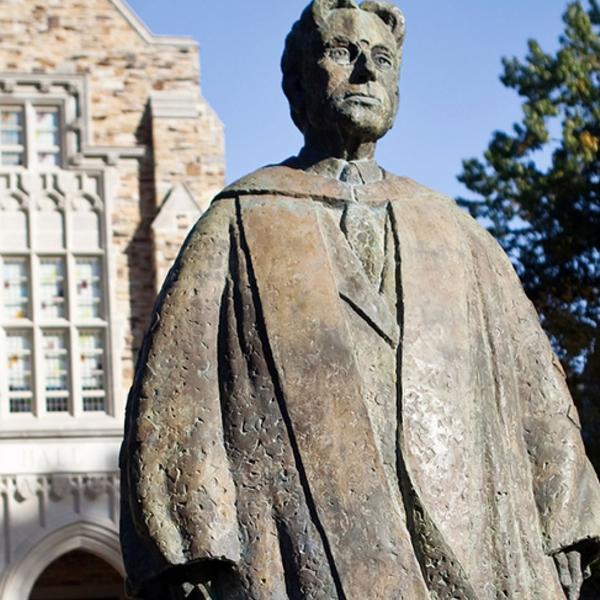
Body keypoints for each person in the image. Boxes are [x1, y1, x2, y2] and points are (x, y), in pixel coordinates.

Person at [120, 1, 600, 598]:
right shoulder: (238, 223)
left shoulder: (459, 235)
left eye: (383, 59)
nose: (367, 73)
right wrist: (189, 550)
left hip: (475, 557)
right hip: (300, 560)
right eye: (343, 53)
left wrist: (567, 519)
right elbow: (176, 399)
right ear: (297, 81)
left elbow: (538, 392)